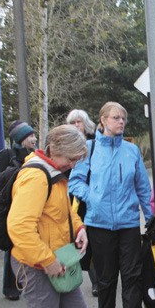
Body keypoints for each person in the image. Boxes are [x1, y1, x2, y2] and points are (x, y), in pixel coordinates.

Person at [8, 124, 133, 308]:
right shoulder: (38, 177)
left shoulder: (52, 173)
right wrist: (48, 260)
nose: (75, 165)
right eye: (73, 159)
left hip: (57, 261)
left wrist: (78, 228)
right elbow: (19, 228)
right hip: (40, 265)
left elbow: (60, 213)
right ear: (56, 150)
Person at [69, 101, 155, 308]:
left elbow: (142, 186)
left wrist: (150, 217)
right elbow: (74, 183)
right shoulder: (89, 148)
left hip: (128, 223)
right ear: (103, 120)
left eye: (123, 118)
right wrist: (92, 197)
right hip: (99, 223)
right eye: (116, 118)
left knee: (132, 275)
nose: (121, 122)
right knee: (106, 277)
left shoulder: (132, 151)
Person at [0, 120, 37, 301]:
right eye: (30, 136)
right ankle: (11, 286)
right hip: (11, 206)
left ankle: (26, 281)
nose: (34, 139)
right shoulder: (6, 155)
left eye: (34, 135)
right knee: (11, 247)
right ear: (21, 138)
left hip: (30, 204)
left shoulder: (34, 154)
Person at [65, 109, 98, 297]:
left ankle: (98, 279)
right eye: (73, 122)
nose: (76, 125)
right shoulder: (66, 144)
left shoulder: (94, 143)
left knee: (93, 238)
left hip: (90, 196)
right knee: (79, 237)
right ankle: (91, 278)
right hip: (72, 197)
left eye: (79, 122)